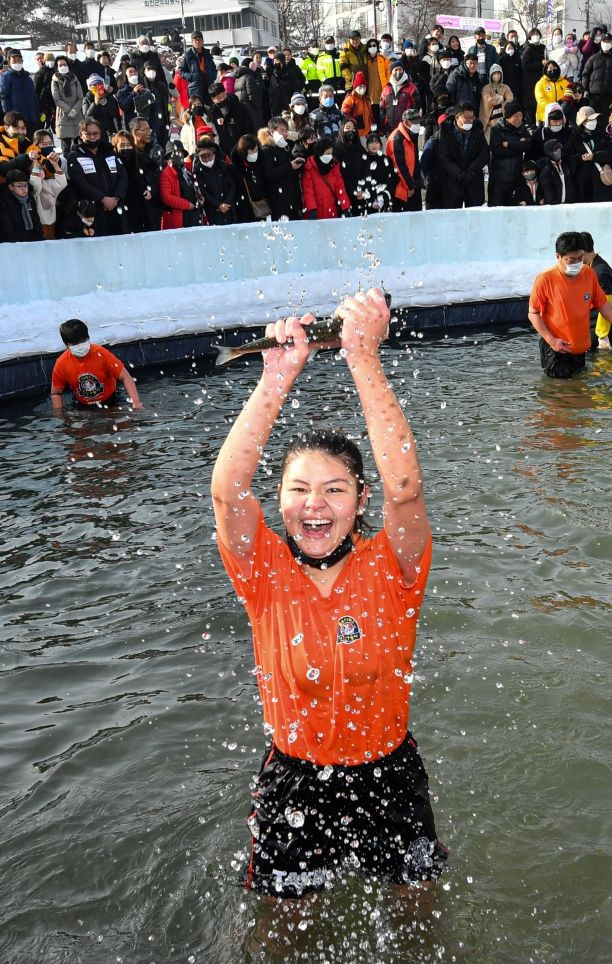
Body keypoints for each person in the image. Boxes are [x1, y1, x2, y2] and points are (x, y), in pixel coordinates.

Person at [211, 287, 449, 898]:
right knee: (281, 931)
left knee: (419, 915)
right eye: (298, 490)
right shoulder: (262, 569)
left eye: (335, 490)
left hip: (388, 772)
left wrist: (363, 359)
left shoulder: (394, 566)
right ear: (281, 499)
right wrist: (276, 377)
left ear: (361, 501)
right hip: (295, 778)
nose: (314, 506)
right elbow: (227, 491)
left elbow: (405, 489)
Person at [528, 230, 612, 378]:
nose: (577, 263)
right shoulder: (545, 279)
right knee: (562, 394)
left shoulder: (589, 273)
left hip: (580, 349)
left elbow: (602, 302)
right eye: (571, 259)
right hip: (556, 349)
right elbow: (533, 313)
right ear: (558, 257)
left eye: (580, 258)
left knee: (580, 388)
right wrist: (551, 340)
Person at [51, 318, 142, 411]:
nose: (80, 346)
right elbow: (56, 393)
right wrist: (59, 415)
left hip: (111, 400)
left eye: (83, 341)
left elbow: (125, 377)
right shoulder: (61, 363)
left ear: (88, 338)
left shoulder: (101, 354)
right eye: (75, 343)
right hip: (82, 405)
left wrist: (136, 402)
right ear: (66, 345)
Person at [66, 118, 128, 236]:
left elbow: (123, 176)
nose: (93, 137)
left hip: (116, 208)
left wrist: (116, 198)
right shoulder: (74, 156)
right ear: (81, 135)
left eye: (95, 133)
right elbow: (79, 182)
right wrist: (102, 199)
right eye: (88, 134)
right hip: (93, 212)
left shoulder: (109, 152)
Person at [438, 102, 489, 209]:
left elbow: (484, 153)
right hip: (453, 181)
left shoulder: (477, 128)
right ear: (457, 117)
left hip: (473, 179)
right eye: (467, 118)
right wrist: (459, 174)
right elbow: (444, 157)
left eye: (472, 117)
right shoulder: (446, 131)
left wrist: (471, 171)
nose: (470, 121)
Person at [257, 117, 304, 220]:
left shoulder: (287, 146)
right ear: (272, 131)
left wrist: (297, 164)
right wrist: (289, 166)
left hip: (291, 198)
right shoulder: (267, 150)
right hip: (278, 201)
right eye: (281, 130)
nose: (285, 133)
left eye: (286, 130)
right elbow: (269, 174)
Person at [580, 230, 612, 350]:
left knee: (602, 365)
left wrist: (602, 336)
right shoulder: (590, 267)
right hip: (592, 326)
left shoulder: (600, 272)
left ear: (582, 251)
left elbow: (606, 302)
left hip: (600, 331)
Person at [488, 102, 532, 206]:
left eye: (521, 116)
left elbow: (528, 145)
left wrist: (509, 144)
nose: (519, 119)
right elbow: (497, 151)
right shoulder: (497, 130)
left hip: (517, 177)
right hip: (499, 178)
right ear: (508, 117)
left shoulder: (522, 129)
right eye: (516, 116)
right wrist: (519, 147)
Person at [568, 105, 612, 203]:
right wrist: (581, 158)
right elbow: (570, 159)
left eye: (595, 119)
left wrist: (595, 156)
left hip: (600, 183)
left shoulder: (602, 134)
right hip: (583, 184)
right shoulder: (574, 138)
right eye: (590, 120)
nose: (594, 121)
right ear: (583, 122)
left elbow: (611, 154)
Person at [28, 130, 67, 237]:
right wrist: (36, 164)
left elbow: (61, 184)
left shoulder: (57, 159)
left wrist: (55, 165)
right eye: (44, 144)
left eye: (50, 144)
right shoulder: (31, 161)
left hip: (52, 220)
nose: (48, 147)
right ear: (36, 145)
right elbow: (35, 188)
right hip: (38, 221)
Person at [301, 137, 351, 218]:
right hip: (315, 213)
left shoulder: (334, 166)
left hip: (331, 212)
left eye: (331, 153)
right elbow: (308, 191)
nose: (330, 156)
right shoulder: (310, 167)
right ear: (320, 153)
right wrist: (312, 209)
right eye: (327, 153)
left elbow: (340, 188)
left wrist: (346, 207)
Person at [158, 141, 204, 229]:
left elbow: (194, 186)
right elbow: (166, 197)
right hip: (180, 216)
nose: (179, 155)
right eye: (175, 153)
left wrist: (199, 196)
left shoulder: (186, 170)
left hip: (193, 214)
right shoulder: (166, 174)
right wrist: (186, 205)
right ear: (169, 157)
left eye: (180, 153)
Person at [192, 137, 237, 224]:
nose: (207, 159)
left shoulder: (222, 165)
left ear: (214, 153)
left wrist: (226, 202)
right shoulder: (197, 170)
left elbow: (232, 185)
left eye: (209, 156)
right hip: (212, 210)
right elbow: (203, 191)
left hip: (229, 207)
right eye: (203, 157)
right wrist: (219, 205)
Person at [385, 106, 422, 211]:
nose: (418, 124)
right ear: (406, 123)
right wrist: (410, 185)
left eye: (418, 121)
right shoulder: (397, 138)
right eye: (414, 122)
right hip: (403, 187)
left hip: (413, 185)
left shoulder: (411, 134)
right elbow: (399, 166)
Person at [230, 133, 271, 222]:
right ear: (244, 152)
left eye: (256, 150)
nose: (255, 154)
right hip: (245, 208)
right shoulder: (235, 168)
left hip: (262, 206)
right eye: (251, 151)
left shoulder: (260, 161)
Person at [207, 82, 253, 159]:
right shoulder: (212, 113)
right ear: (213, 99)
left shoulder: (239, 107)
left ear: (226, 91)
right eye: (218, 98)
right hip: (224, 153)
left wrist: (248, 144)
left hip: (242, 148)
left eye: (223, 95)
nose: (222, 99)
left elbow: (249, 127)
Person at [581, 33, 612, 117]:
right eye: (604, 41)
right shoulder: (593, 58)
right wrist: (586, 89)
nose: (606, 43)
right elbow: (585, 74)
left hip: (608, 95)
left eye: (609, 41)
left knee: (605, 118)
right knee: (592, 117)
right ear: (601, 43)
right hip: (593, 94)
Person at [1, 51, 39, 137]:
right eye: (14, 60)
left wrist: (37, 113)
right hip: (17, 121)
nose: (17, 63)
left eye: (19, 60)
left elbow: (34, 97)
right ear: (9, 61)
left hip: (31, 119)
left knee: (33, 144)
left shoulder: (28, 78)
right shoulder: (5, 77)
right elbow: (4, 97)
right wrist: (10, 116)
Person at [51, 55, 84, 155]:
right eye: (60, 65)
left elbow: (80, 97)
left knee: (79, 147)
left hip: (77, 114)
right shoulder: (55, 81)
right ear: (57, 67)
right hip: (63, 116)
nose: (63, 66)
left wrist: (75, 109)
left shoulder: (74, 78)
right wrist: (69, 110)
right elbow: (57, 99)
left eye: (64, 64)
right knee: (66, 148)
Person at [0, 167, 43, 241]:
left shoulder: (29, 198)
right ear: (11, 187)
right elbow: (7, 226)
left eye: (25, 185)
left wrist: (39, 238)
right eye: (20, 186)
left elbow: (36, 219)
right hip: (14, 243)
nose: (24, 189)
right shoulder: (4, 201)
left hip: (32, 240)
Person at [357, 132, 395, 212]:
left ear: (380, 145)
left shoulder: (386, 160)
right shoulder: (362, 160)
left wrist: (383, 197)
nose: (374, 145)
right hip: (366, 200)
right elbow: (359, 179)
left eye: (376, 142)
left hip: (383, 200)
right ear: (367, 145)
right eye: (371, 142)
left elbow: (391, 180)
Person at [334, 119, 367, 210]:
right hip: (344, 193)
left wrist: (362, 189)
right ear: (342, 130)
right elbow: (341, 174)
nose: (351, 131)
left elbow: (366, 170)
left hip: (361, 193)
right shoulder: (337, 150)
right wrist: (353, 191)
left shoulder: (361, 149)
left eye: (353, 128)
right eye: (347, 128)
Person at [380, 62, 420, 136]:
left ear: (403, 71)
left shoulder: (411, 87)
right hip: (390, 128)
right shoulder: (386, 89)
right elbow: (382, 108)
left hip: (406, 127)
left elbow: (417, 105)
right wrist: (382, 126)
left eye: (400, 69)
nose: (398, 72)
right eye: (396, 70)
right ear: (391, 72)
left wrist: (411, 122)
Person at [83, 75, 122, 140]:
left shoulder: (109, 97)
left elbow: (115, 115)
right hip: (95, 132)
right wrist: (95, 104)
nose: (97, 87)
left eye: (99, 84)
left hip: (110, 132)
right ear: (90, 87)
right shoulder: (87, 99)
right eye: (94, 85)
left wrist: (106, 104)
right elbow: (87, 117)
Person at [480, 64, 513, 140]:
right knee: (489, 142)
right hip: (490, 121)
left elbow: (510, 99)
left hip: (503, 120)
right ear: (491, 75)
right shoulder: (486, 88)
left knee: (502, 142)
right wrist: (500, 99)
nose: (496, 75)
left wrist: (503, 99)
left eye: (498, 73)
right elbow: (487, 101)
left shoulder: (506, 87)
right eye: (494, 73)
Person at [521, 29, 546, 127]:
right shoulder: (528, 48)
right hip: (531, 82)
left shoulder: (543, 47)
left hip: (542, 79)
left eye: (537, 34)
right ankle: (531, 125)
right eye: (534, 34)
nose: (536, 36)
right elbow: (525, 65)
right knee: (532, 104)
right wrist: (540, 64)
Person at [537, 139, 574, 204]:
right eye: (555, 151)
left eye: (559, 150)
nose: (558, 153)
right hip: (555, 207)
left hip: (568, 204)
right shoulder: (546, 169)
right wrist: (554, 204)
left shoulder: (565, 165)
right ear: (549, 152)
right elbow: (548, 190)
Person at [183, 32, 217, 99]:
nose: (197, 42)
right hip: (195, 89)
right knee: (197, 108)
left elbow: (214, 68)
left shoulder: (207, 54)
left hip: (209, 86)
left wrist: (212, 76)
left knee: (211, 108)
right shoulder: (187, 56)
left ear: (203, 41)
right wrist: (192, 77)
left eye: (199, 39)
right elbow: (181, 71)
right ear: (192, 42)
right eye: (195, 40)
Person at [341, 71, 373, 139]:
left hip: (366, 134)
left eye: (364, 86)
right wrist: (354, 122)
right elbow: (344, 113)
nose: (362, 89)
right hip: (355, 134)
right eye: (360, 86)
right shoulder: (350, 99)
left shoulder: (367, 100)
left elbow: (370, 115)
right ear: (355, 87)